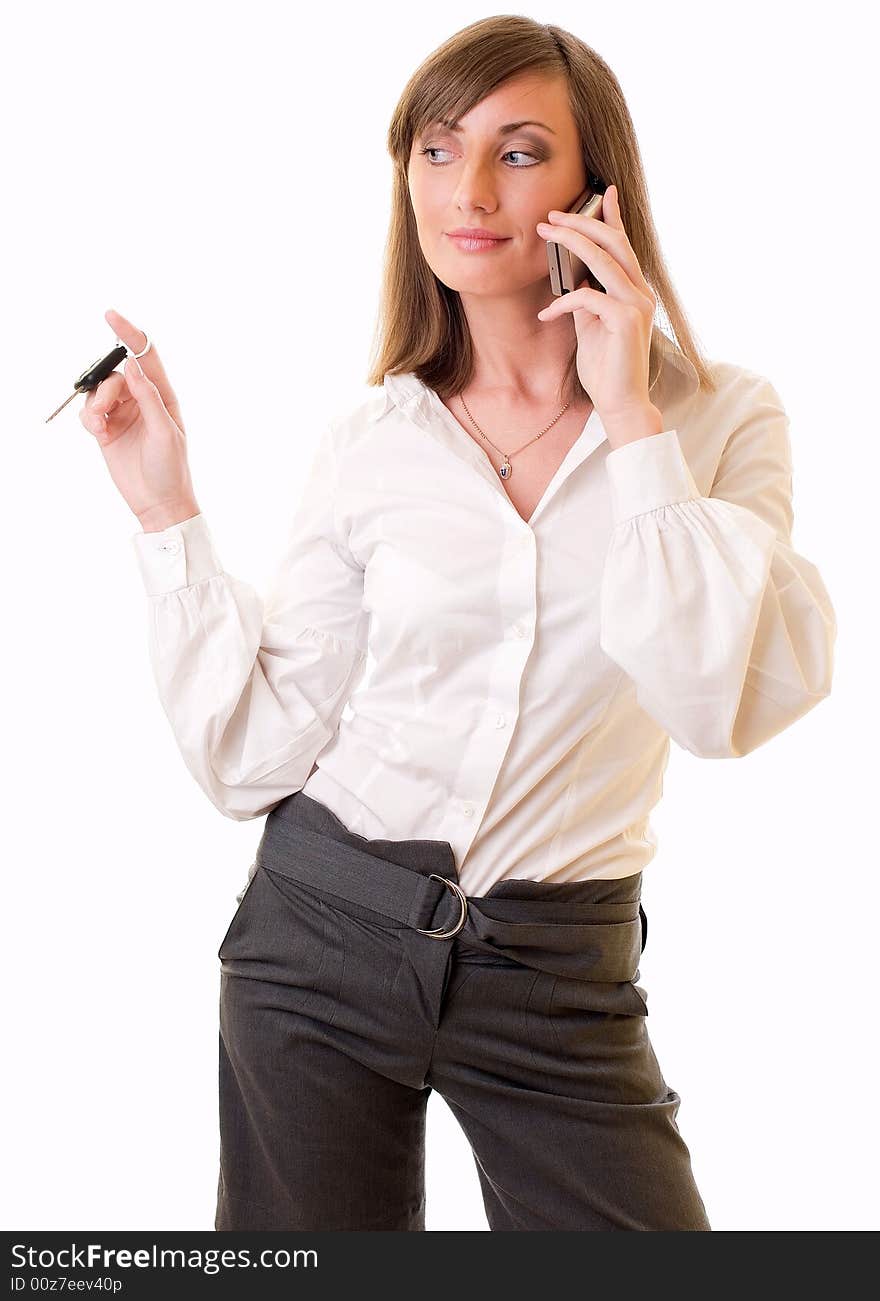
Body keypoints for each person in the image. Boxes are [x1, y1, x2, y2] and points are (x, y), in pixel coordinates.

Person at [80, 16, 836, 1232]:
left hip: (558, 975)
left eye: (519, 151)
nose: (468, 190)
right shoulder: (373, 441)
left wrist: (632, 417)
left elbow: (714, 705)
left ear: (598, 188)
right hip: (314, 938)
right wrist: (166, 509)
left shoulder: (720, 421)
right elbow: (250, 759)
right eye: (436, 152)